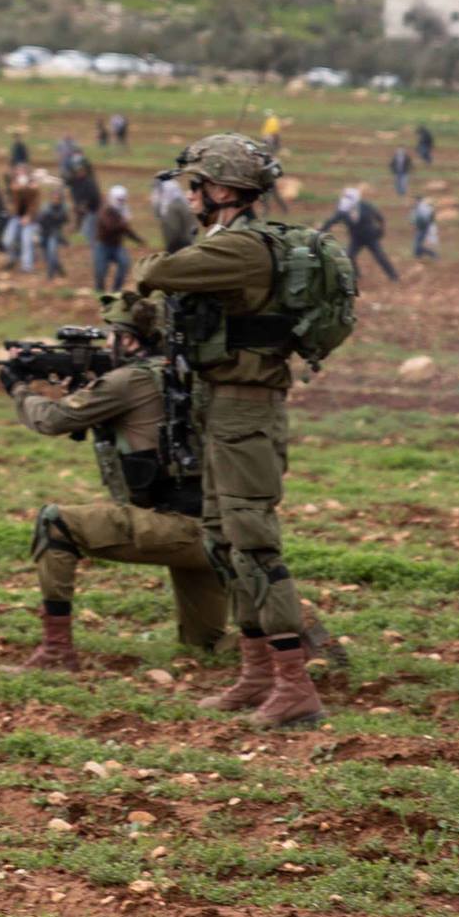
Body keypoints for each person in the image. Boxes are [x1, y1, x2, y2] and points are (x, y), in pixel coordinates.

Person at [133, 134, 340, 729]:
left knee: (254, 543)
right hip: (220, 406)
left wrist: (151, 270)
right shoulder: (224, 242)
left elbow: (160, 272)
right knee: (225, 541)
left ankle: (295, 686)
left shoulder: (243, 249)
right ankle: (255, 675)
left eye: (195, 184)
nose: (188, 195)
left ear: (223, 190)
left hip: (246, 411)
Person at [10, 293, 226, 669]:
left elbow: (52, 420)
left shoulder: (127, 380)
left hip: (176, 528)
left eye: (112, 336)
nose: (106, 344)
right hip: (217, 530)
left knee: (55, 523)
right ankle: (300, 647)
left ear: (128, 340)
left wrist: (19, 388)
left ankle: (56, 652)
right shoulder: (188, 373)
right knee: (203, 647)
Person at [320, 186, 398, 285]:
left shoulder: (366, 206)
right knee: (349, 256)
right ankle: (357, 275)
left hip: (370, 237)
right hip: (356, 238)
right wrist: (322, 231)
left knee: (380, 256)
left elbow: (380, 217)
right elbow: (331, 221)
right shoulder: (343, 210)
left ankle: (394, 276)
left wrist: (381, 230)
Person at [92, 185, 144, 294]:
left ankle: (116, 290)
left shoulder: (123, 211)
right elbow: (110, 226)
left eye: (123, 199)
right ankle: (99, 291)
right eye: (119, 199)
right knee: (100, 271)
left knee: (124, 264)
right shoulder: (105, 210)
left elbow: (126, 230)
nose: (121, 202)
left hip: (116, 246)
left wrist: (138, 240)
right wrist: (124, 222)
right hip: (102, 245)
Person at [3, 165, 41, 272]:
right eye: (18, 172)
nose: (20, 173)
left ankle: (27, 267)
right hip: (16, 217)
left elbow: (35, 204)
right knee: (7, 241)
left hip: (29, 218)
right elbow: (14, 192)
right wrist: (25, 188)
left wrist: (28, 216)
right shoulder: (14, 185)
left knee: (26, 241)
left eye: (22, 172)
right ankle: (12, 258)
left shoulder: (34, 188)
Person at [153, 176, 194, 253]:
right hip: (187, 244)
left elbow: (173, 231)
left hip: (177, 247)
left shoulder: (171, 207)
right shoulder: (184, 203)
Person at [37, 189, 69, 279]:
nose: (55, 200)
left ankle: (50, 275)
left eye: (57, 198)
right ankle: (59, 268)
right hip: (43, 233)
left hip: (54, 234)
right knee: (46, 256)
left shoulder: (62, 208)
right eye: (53, 198)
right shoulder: (45, 206)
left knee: (52, 253)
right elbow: (39, 219)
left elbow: (63, 219)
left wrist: (50, 215)